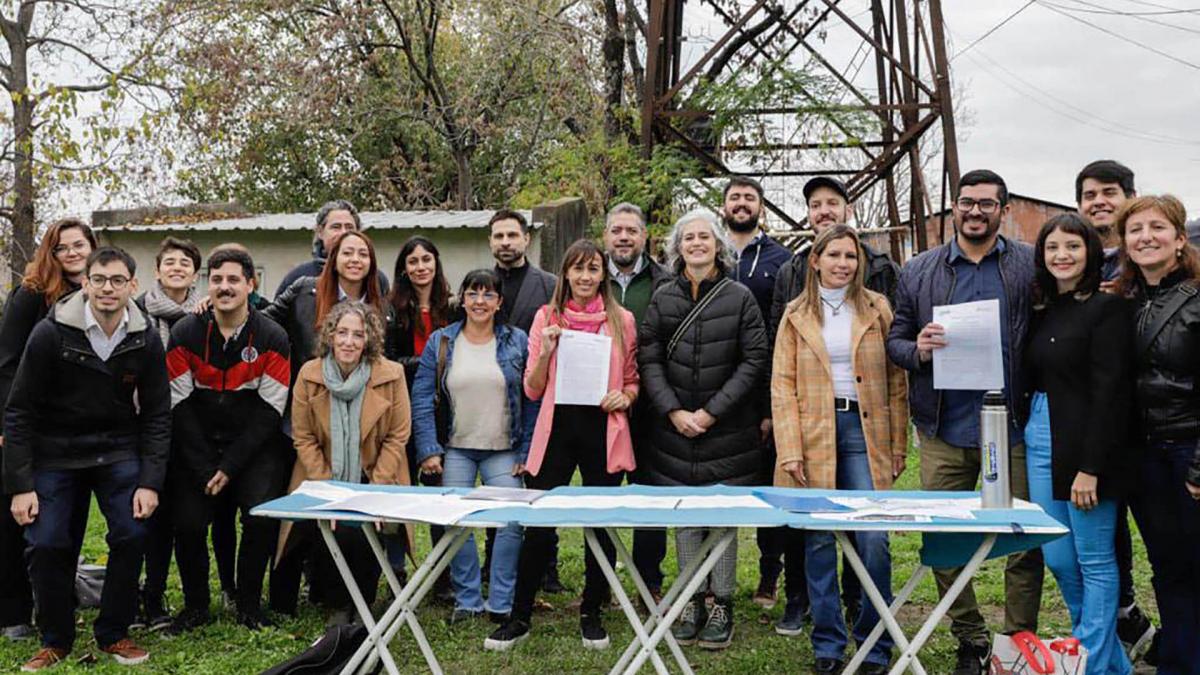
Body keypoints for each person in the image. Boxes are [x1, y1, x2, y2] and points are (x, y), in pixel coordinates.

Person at [886, 169, 1043, 675]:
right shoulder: (919, 269)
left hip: (1013, 422)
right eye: (966, 202)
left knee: (1022, 538)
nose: (975, 211)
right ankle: (970, 636)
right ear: (953, 206)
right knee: (945, 536)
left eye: (986, 204)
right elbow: (895, 341)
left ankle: (1016, 640)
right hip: (944, 427)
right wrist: (920, 351)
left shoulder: (1028, 264)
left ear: (1004, 208)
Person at [4, 247, 170, 670]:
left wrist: (149, 481)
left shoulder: (145, 337)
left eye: (117, 280)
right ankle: (56, 638)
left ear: (132, 285)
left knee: (133, 533)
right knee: (46, 542)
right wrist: (21, 486)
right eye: (99, 279)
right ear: (86, 282)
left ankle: (114, 632)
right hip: (55, 452)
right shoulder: (51, 332)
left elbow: (156, 415)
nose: (107, 289)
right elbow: (19, 411)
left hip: (116, 448)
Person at [486, 240, 639, 652]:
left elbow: (631, 378)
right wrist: (547, 351)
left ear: (603, 274)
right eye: (578, 269)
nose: (586, 277)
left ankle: (592, 611)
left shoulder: (621, 319)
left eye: (593, 269)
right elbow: (532, 389)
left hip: (601, 429)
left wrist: (625, 396)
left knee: (599, 525)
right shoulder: (546, 316)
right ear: (566, 273)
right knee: (537, 525)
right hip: (556, 431)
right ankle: (519, 617)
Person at [771, 225, 908, 674]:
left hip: (864, 433)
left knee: (873, 540)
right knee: (817, 542)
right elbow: (782, 387)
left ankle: (875, 643)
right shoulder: (795, 314)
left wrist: (897, 444)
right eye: (834, 255)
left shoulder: (877, 307)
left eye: (851, 256)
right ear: (816, 260)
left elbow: (896, 383)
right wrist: (789, 448)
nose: (843, 263)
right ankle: (827, 645)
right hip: (813, 434)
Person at [639, 210, 768, 650]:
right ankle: (692, 600)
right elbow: (649, 356)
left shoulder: (740, 297)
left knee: (722, 520)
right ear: (678, 248)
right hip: (673, 431)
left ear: (718, 245)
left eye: (704, 237)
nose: (696, 244)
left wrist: (711, 413)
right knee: (686, 517)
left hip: (726, 430)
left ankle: (722, 604)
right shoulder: (662, 297)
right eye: (688, 238)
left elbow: (754, 360)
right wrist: (673, 411)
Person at [1023, 213, 1135, 675]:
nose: (1061, 255)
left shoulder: (1108, 309)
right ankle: (1107, 662)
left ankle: (1085, 661)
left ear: (1090, 251)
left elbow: (1112, 393)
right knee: (1058, 557)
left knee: (1094, 559)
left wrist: (1091, 466)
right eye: (1052, 247)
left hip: (1086, 442)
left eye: (1072, 246)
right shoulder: (1043, 309)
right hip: (1039, 437)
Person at [166, 247, 291, 632]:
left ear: (251, 285)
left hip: (253, 448)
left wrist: (230, 466)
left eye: (234, 279)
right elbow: (179, 403)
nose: (224, 287)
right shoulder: (184, 333)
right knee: (187, 524)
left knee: (260, 517)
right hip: (197, 445)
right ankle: (196, 606)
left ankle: (249, 605)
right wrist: (207, 466)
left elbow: (270, 410)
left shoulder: (273, 336)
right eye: (217, 279)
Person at [410, 269, 538, 627]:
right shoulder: (442, 342)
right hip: (456, 448)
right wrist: (428, 449)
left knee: (512, 521)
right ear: (462, 299)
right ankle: (467, 599)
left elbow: (533, 398)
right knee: (456, 522)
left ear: (499, 303)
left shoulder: (518, 341)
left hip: (504, 449)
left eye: (488, 295)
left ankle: (501, 600)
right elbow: (421, 397)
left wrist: (527, 452)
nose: (479, 301)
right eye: (473, 294)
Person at [1112, 195, 1200, 674]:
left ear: (1179, 239)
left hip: (1188, 450)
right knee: (1167, 568)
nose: (1146, 236)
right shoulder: (1124, 301)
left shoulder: (1196, 298)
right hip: (1145, 457)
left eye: (1157, 227)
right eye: (1135, 229)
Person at [1073, 160, 1156, 662]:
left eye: (1109, 192)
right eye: (1089, 194)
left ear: (1130, 196)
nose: (1098, 201)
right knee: (1108, 540)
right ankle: (1126, 625)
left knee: (1168, 545)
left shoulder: (1153, 260)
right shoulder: (1081, 265)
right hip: (1101, 430)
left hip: (1158, 428)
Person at [0, 218, 96, 642]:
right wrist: (7, 423)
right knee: (15, 519)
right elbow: (6, 363)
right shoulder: (32, 295)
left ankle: (55, 600)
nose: (72, 253)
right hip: (25, 425)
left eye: (79, 245)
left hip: (71, 430)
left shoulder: (97, 293)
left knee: (65, 518)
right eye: (62, 247)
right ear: (50, 254)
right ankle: (13, 610)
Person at [285, 302, 411, 625]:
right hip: (323, 477)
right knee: (335, 525)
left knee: (367, 525)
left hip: (377, 476)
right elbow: (303, 437)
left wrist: (374, 489)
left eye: (358, 334)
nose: (349, 342)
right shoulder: (309, 375)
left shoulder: (391, 374)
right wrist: (330, 488)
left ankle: (364, 602)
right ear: (330, 336)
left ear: (369, 340)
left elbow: (397, 436)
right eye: (342, 333)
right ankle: (339, 605)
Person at [721, 177, 794, 612]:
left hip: (764, 392)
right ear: (724, 205)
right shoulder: (708, 254)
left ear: (761, 207)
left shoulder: (781, 260)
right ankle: (712, 577)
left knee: (770, 487)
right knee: (719, 486)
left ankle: (770, 572)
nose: (742, 204)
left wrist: (769, 407)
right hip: (713, 392)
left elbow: (781, 334)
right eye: (735, 198)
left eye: (750, 198)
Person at [487, 207, 563, 592]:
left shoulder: (550, 286)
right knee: (496, 483)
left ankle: (546, 566)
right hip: (491, 399)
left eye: (511, 236)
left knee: (540, 482)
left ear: (526, 239)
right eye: (498, 236)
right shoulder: (480, 286)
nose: (505, 243)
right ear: (490, 242)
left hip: (538, 398)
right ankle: (493, 562)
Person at [132, 236, 203, 631]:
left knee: (182, 515)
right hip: (143, 424)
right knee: (148, 515)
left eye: (185, 263)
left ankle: (181, 598)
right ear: (157, 270)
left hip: (190, 427)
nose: (177, 268)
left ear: (195, 272)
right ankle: (149, 596)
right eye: (170, 262)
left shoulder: (206, 311)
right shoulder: (137, 310)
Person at [602, 203, 672, 601]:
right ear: (606, 236)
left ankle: (650, 581)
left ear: (645, 236)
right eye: (616, 230)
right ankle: (605, 581)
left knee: (648, 496)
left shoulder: (665, 280)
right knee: (606, 495)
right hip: (603, 406)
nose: (624, 237)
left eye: (631, 230)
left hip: (651, 406)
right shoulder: (591, 278)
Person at [384, 235, 457, 593]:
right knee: (401, 494)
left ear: (436, 263)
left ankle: (444, 574)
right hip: (400, 410)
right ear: (403, 269)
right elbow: (389, 360)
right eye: (412, 262)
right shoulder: (391, 310)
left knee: (440, 496)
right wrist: (429, 365)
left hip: (442, 415)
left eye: (426, 259)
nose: (420, 267)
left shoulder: (454, 308)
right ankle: (395, 569)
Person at [274, 200, 389, 297]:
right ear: (320, 232)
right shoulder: (299, 279)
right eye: (336, 227)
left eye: (349, 227)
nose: (343, 233)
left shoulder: (376, 280)